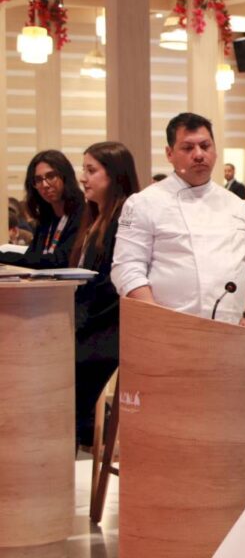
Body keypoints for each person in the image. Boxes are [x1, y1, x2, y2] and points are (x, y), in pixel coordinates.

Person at [111, 112, 245, 327]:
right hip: (167, 328)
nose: (199, 154)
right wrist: (157, 318)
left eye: (205, 146)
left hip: (232, 329)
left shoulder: (236, 205)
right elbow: (127, 268)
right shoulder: (144, 203)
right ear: (169, 153)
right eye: (188, 148)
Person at [70, 141, 140, 448]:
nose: (83, 178)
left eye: (91, 170)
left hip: (105, 329)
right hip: (86, 323)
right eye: (83, 169)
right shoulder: (93, 217)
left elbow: (110, 286)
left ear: (113, 174)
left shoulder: (123, 218)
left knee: (68, 389)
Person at [0, 150, 84, 268]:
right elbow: (33, 257)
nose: (45, 185)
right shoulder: (46, 218)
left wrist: (3, 256)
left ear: (65, 176)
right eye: (38, 180)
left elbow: (60, 260)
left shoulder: (82, 214)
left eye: (51, 176)